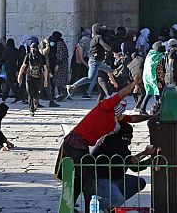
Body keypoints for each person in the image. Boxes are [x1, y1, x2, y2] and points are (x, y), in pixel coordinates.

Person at [56, 75, 150, 209]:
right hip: (75, 143)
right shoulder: (105, 107)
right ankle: (83, 207)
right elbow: (121, 95)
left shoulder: (115, 118)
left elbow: (133, 118)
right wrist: (134, 83)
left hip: (81, 145)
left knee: (81, 176)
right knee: (84, 176)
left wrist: (150, 116)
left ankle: (74, 205)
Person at [91, 122, 154, 210]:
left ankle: (110, 206)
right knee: (117, 200)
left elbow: (132, 165)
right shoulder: (113, 141)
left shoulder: (120, 144)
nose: (129, 139)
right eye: (127, 135)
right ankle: (92, 207)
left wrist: (148, 160)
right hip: (99, 179)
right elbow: (131, 162)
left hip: (114, 178)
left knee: (139, 182)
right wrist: (146, 154)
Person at [66, 23, 115, 99]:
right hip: (95, 61)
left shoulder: (95, 37)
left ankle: (115, 71)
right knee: (90, 78)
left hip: (97, 60)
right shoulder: (98, 37)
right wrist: (114, 52)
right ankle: (72, 86)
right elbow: (106, 46)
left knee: (105, 68)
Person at [17, 41, 49, 116]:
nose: (33, 50)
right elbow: (23, 66)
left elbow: (45, 69)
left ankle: (35, 102)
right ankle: (31, 109)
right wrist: (20, 76)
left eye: (34, 48)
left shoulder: (41, 57)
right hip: (29, 77)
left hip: (38, 77)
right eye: (31, 49)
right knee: (30, 93)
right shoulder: (28, 56)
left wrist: (45, 80)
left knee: (37, 94)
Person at [136, 42, 164, 114]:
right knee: (158, 94)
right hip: (154, 78)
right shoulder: (157, 57)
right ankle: (158, 110)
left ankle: (143, 109)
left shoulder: (150, 55)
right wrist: (157, 81)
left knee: (150, 93)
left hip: (147, 78)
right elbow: (156, 69)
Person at [0, 38, 22, 103]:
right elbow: (19, 60)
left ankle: (18, 97)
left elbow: (2, 59)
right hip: (14, 67)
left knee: (10, 83)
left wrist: (0, 65)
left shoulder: (5, 50)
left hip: (8, 68)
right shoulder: (16, 50)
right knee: (9, 83)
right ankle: (4, 98)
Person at [51, 31, 70, 102]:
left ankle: (61, 94)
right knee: (62, 80)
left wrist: (57, 65)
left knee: (59, 80)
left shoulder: (59, 44)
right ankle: (63, 93)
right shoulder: (62, 43)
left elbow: (60, 56)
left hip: (61, 66)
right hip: (64, 64)